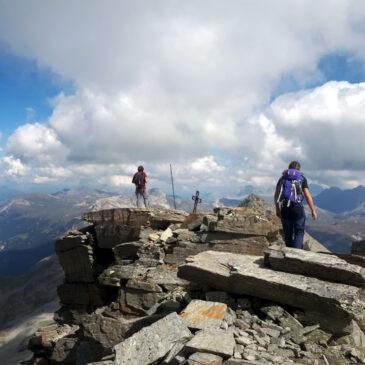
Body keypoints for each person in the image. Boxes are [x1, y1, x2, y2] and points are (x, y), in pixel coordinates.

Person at [274, 161, 317, 249]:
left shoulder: (282, 178)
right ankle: (296, 255)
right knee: (299, 233)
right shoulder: (302, 178)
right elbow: (307, 196)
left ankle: (288, 256)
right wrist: (313, 210)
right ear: (298, 169)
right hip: (297, 209)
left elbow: (276, 195)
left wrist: (277, 209)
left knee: (288, 234)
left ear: (289, 168)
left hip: (285, 209)